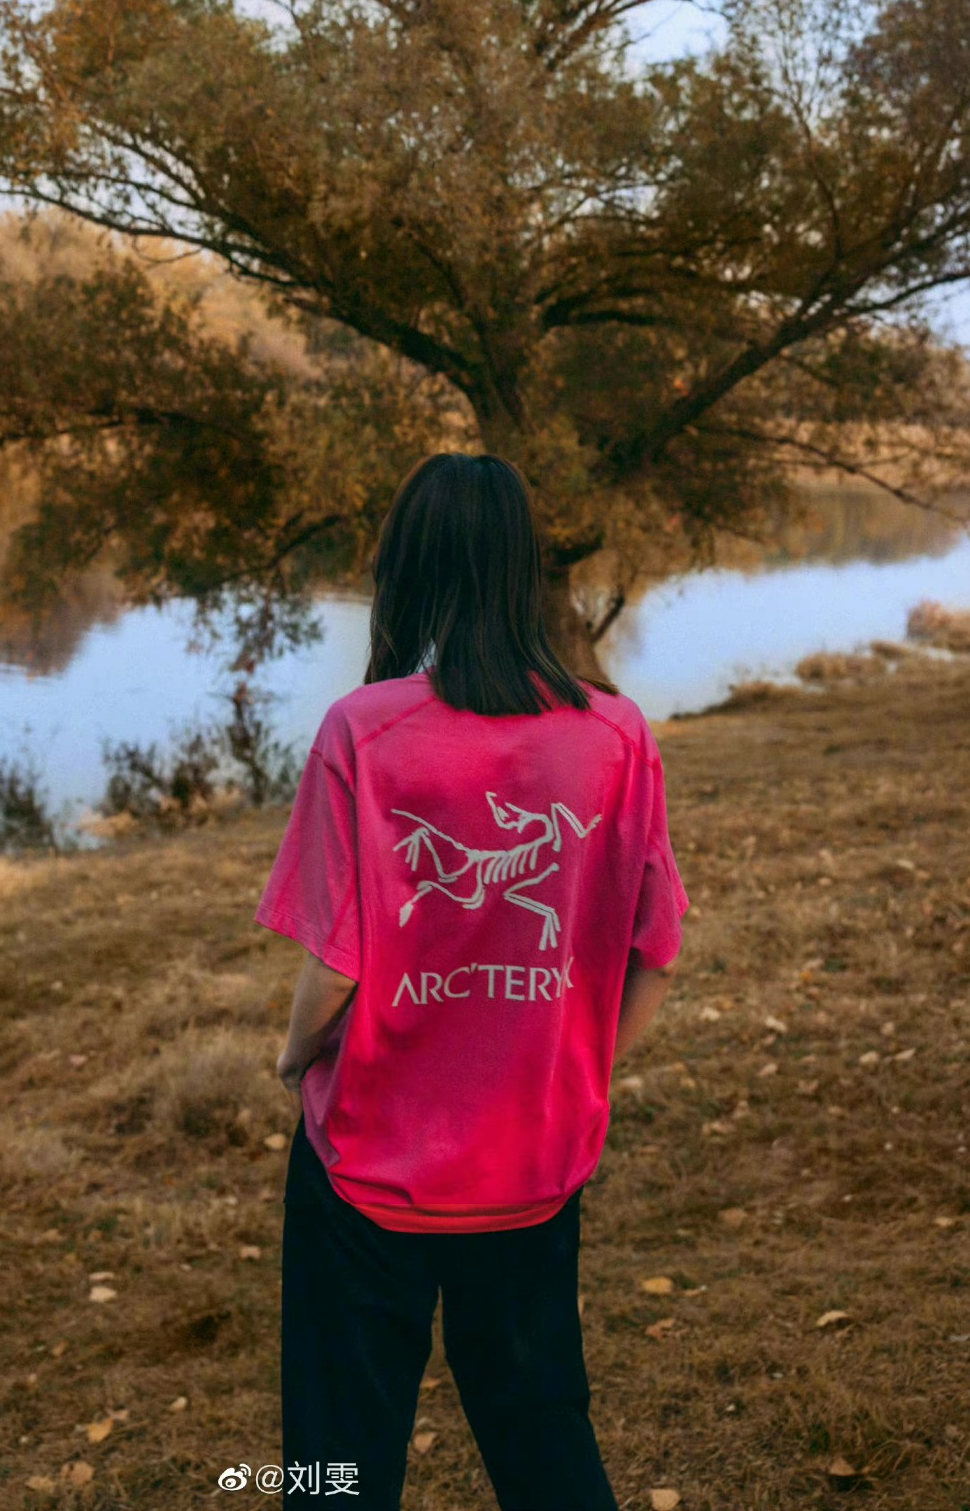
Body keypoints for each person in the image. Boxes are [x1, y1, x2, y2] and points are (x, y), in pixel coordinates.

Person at [253, 452, 688, 1511]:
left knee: (337, 1461)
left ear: (406, 569)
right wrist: (573, 1069)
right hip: (532, 1159)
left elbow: (337, 964)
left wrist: (292, 1054)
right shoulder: (615, 734)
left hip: (368, 1165)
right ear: (521, 569)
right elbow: (655, 951)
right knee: (543, 1438)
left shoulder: (363, 730)